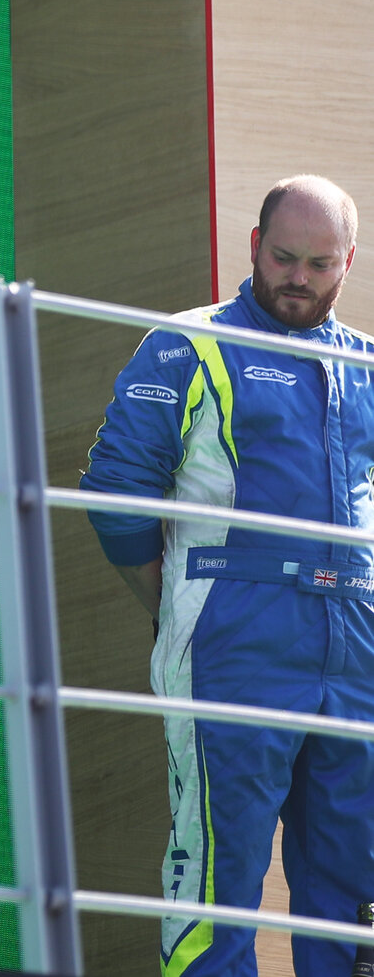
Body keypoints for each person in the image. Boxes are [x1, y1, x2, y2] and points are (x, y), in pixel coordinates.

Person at [82, 176, 374, 977]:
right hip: (233, 635)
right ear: (254, 245)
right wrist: (173, 605)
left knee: (358, 887)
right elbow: (114, 495)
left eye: (320, 263)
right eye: (284, 256)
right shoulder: (188, 342)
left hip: (356, 650)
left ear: (348, 263)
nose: (299, 277)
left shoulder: (369, 366)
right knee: (219, 876)